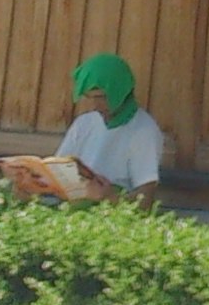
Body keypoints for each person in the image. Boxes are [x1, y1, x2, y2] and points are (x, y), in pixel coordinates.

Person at [45, 52, 165, 201]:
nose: (96, 105)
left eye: (101, 97)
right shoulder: (84, 123)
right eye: (91, 98)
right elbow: (57, 172)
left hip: (111, 217)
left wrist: (109, 198)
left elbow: (146, 199)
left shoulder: (144, 131)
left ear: (119, 91)